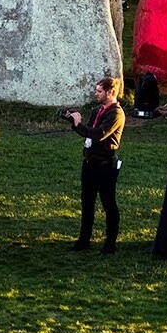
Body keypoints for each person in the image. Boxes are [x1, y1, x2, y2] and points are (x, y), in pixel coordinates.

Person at [70, 76, 125, 255]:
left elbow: (98, 134)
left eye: (99, 91)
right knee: (87, 202)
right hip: (90, 163)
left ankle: (110, 242)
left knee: (108, 203)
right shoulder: (97, 110)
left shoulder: (115, 114)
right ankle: (84, 239)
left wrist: (78, 125)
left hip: (105, 165)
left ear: (110, 92)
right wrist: (74, 123)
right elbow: (89, 132)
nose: (96, 94)